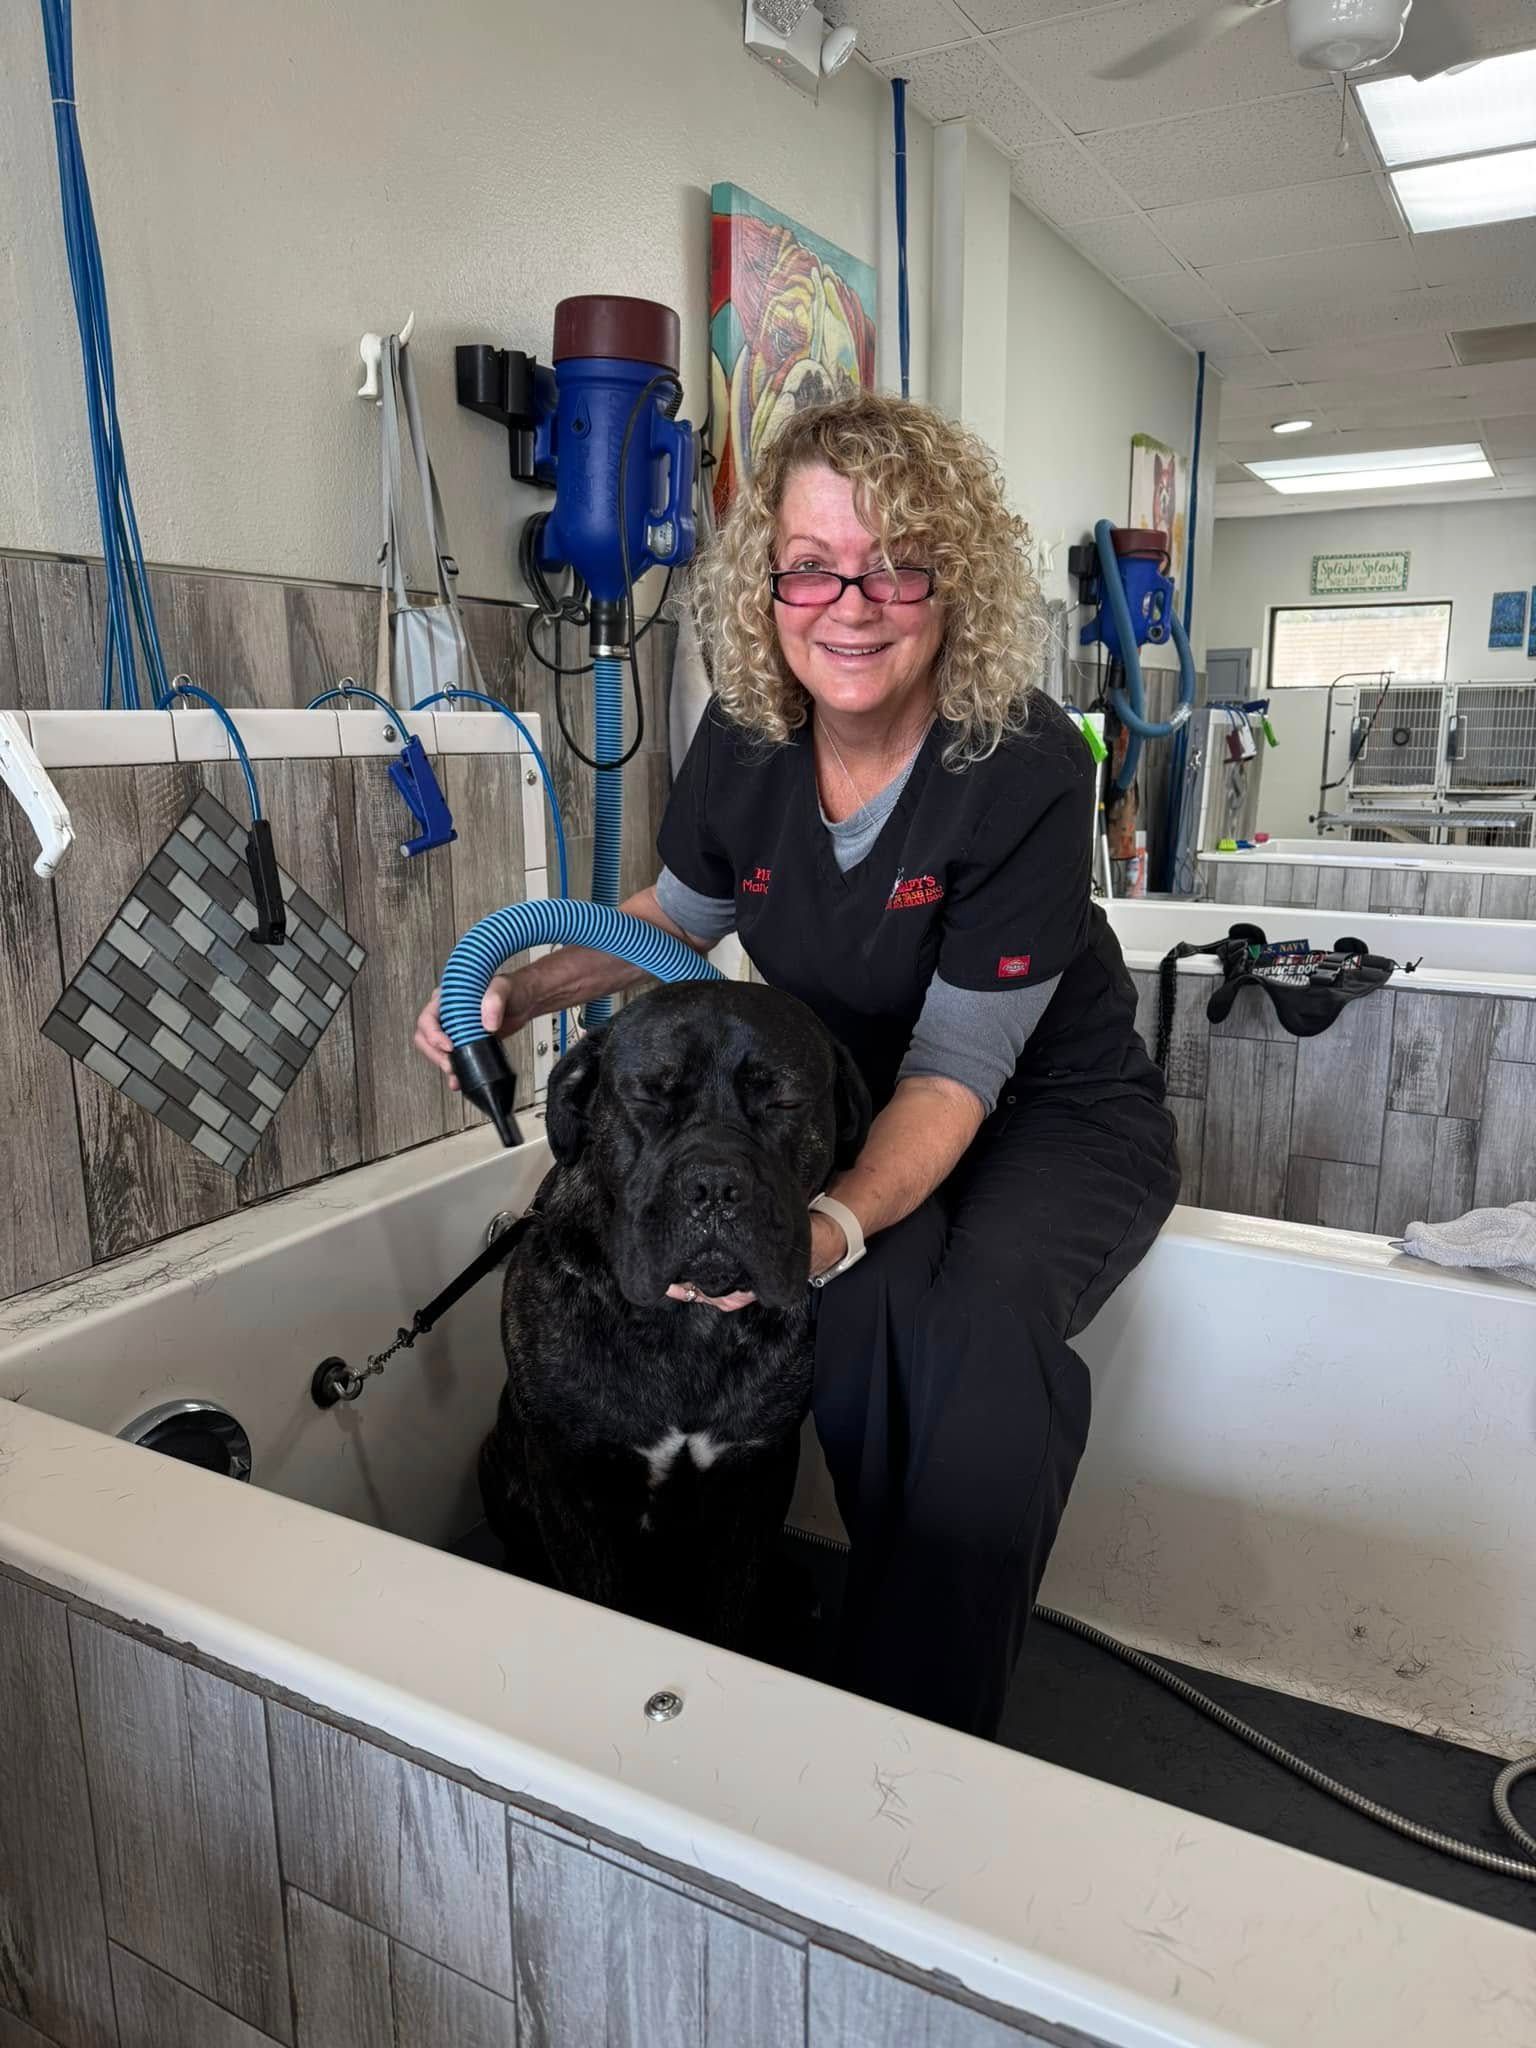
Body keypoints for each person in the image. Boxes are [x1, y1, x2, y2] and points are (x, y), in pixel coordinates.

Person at [415, 390, 1179, 1739]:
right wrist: (507, 995)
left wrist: (826, 1218)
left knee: (979, 1328)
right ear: (769, 585)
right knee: (868, 1319)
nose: (853, 602)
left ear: (956, 580)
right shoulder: (752, 737)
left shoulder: (1026, 768)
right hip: (853, 1104)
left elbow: (956, 1066)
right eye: (814, 564)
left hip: (1045, 1110)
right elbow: (663, 926)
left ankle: (924, 1734)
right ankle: (859, 1664)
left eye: (896, 564)